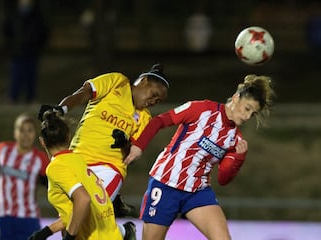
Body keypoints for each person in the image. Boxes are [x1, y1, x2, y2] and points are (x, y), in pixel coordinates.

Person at [124, 74, 276, 240]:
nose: (247, 117)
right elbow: (159, 121)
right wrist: (139, 146)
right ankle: (125, 233)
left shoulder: (235, 140)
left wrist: (238, 159)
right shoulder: (201, 109)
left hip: (197, 191)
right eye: (247, 108)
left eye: (252, 114)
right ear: (235, 97)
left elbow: (223, 179)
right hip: (166, 183)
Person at [37, 63, 170, 240]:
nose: (153, 101)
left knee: (83, 213)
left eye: (158, 101)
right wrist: (61, 109)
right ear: (143, 81)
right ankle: (122, 230)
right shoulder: (117, 82)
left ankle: (121, 227)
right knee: (72, 218)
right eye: (154, 95)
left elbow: (132, 154)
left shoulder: (144, 117)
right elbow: (83, 93)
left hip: (108, 168)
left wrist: (124, 143)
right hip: (77, 160)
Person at [28, 111, 122, 240]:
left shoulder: (56, 167)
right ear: (68, 137)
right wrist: (46, 232)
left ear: (42, 142)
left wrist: (69, 237)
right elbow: (74, 212)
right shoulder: (78, 160)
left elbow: (83, 199)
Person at [0, 113, 50, 240]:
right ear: (15, 133)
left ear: (35, 134)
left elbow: (54, 182)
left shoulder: (40, 158)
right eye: (21, 130)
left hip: (29, 218)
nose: (25, 134)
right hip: (4, 218)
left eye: (29, 130)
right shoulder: (3, 150)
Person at [2, 0, 49, 104]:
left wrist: (38, 46)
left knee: (31, 77)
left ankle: (31, 98)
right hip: (17, 52)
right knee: (16, 76)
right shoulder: (13, 15)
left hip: (32, 52)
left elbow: (43, 33)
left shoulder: (37, 16)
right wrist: (11, 47)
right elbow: (7, 32)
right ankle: (13, 98)